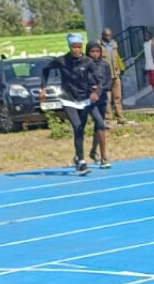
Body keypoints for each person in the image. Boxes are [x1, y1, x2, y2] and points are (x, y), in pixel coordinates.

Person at [40, 34, 101, 174]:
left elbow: (99, 79)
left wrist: (96, 91)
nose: (76, 50)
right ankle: (82, 162)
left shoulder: (88, 62)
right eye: (74, 47)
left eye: (79, 47)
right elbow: (45, 70)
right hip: (67, 98)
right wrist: (43, 88)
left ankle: (78, 156)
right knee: (77, 126)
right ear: (69, 47)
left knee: (80, 130)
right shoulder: (62, 60)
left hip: (84, 99)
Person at [86, 42, 113, 168]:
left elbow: (108, 83)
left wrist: (99, 88)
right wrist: (91, 89)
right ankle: (103, 157)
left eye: (97, 51)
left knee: (99, 125)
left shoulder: (104, 65)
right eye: (92, 52)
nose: (95, 54)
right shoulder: (84, 65)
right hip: (89, 99)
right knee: (100, 123)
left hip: (102, 98)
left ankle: (93, 151)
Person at [98, 28, 127, 125]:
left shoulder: (114, 44)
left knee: (118, 97)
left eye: (110, 35)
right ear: (102, 35)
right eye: (106, 35)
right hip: (105, 76)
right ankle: (108, 118)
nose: (108, 37)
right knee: (107, 99)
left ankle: (120, 117)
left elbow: (117, 57)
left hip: (116, 74)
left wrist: (121, 67)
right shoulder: (99, 45)